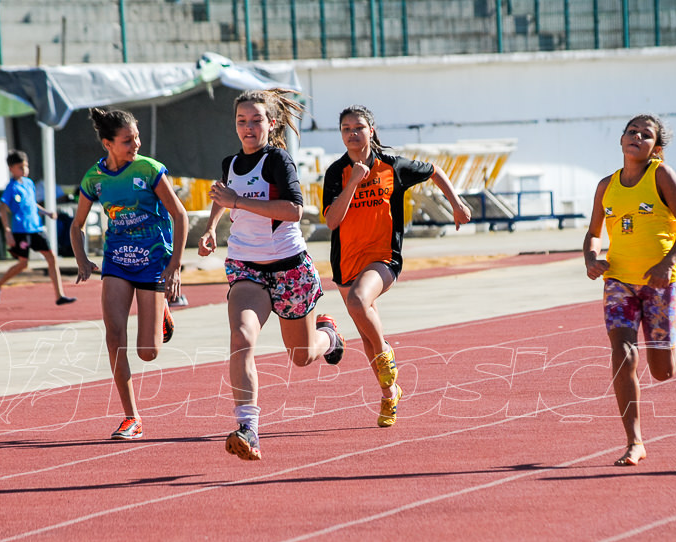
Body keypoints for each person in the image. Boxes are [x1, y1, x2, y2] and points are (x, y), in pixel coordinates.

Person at [197, 88, 344, 461]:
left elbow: (295, 210)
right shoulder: (230, 162)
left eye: (256, 120)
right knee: (241, 336)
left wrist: (238, 202)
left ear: (271, 123)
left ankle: (328, 336)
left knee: (301, 355)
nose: (248, 127)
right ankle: (249, 427)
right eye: (241, 121)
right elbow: (223, 195)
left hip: (289, 266)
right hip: (246, 266)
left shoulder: (278, 160)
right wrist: (213, 227)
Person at [322, 105, 471, 427]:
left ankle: (386, 356)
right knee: (365, 329)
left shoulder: (393, 165)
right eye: (346, 128)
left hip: (383, 257)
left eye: (358, 127)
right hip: (346, 260)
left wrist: (456, 204)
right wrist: (353, 183)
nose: (352, 133)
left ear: (371, 130)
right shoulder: (336, 172)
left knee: (360, 302)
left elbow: (433, 170)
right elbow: (332, 221)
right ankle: (390, 393)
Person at [582, 114, 676, 467]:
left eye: (645, 135)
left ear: (656, 150)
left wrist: (670, 261)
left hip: (659, 281)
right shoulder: (606, 186)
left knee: (663, 371)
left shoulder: (661, 175)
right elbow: (593, 233)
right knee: (624, 355)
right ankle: (634, 441)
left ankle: (672, 324)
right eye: (631, 132)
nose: (636, 136)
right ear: (620, 141)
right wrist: (591, 258)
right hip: (618, 281)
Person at [70, 108, 188, 440]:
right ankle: (131, 418)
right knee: (113, 337)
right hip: (117, 263)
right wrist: (82, 259)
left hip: (152, 263)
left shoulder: (149, 170)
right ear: (108, 143)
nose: (135, 143)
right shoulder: (94, 179)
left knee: (147, 353)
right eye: (127, 140)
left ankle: (162, 311)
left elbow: (179, 216)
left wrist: (174, 264)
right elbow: (76, 226)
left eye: (136, 137)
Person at [0, 151, 76, 306]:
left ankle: (59, 295)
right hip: (21, 230)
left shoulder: (29, 183)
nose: (24, 169)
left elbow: (32, 204)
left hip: (36, 228)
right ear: (11, 168)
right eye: (20, 167)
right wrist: (7, 231)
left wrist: (46, 212)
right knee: (23, 264)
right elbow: (3, 209)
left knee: (51, 258)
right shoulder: (11, 187)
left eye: (26, 166)